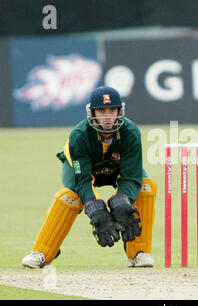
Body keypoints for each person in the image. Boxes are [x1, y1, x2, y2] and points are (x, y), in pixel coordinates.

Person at [22, 86, 158, 269]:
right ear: (92, 112)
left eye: (112, 110)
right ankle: (42, 253)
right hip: (83, 170)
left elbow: (132, 176)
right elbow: (83, 180)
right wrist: (95, 209)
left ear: (120, 111)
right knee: (70, 196)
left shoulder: (131, 132)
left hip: (117, 168)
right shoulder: (79, 136)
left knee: (146, 187)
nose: (108, 116)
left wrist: (122, 202)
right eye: (102, 111)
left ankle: (138, 253)